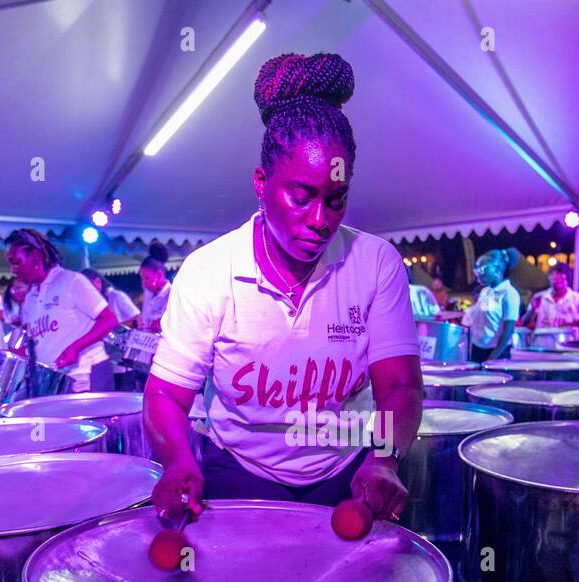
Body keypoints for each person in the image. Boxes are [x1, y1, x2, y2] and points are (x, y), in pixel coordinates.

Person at [143, 51, 421, 525]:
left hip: (345, 473)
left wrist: (383, 459)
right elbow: (166, 396)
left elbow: (399, 385)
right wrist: (177, 461)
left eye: (336, 200)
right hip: (239, 473)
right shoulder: (210, 271)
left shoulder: (375, 263)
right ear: (261, 183)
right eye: (302, 196)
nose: (320, 220)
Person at [4, 229, 118, 391]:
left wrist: (76, 347)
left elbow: (109, 320)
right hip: (56, 379)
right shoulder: (30, 298)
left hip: (87, 371)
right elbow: (38, 340)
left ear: (35, 256)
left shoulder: (71, 281)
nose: (13, 270)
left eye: (16, 262)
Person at [466, 248, 521, 365]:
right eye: (477, 270)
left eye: (482, 269)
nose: (478, 274)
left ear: (496, 269)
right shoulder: (485, 292)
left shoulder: (509, 293)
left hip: (496, 354)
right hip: (478, 350)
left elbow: (508, 330)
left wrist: (491, 359)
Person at [525, 261, 579, 332]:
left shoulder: (578, 298)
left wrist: (575, 323)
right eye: (551, 273)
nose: (554, 276)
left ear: (566, 278)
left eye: (559, 273)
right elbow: (524, 322)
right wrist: (532, 311)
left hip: (568, 342)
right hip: (541, 342)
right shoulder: (539, 297)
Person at [137, 245, 172, 333]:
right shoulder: (148, 292)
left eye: (146, 278)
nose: (143, 282)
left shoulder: (172, 295)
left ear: (159, 275)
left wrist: (161, 323)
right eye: (142, 278)